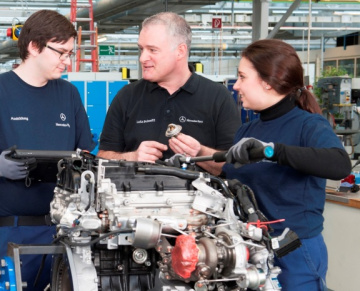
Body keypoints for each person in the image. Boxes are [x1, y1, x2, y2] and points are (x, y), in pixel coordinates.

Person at [0, 10, 95, 291]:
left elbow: (84, 157)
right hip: (12, 233)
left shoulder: (69, 94)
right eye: (61, 52)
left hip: (66, 231)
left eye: (70, 53)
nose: (67, 60)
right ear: (34, 46)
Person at [222, 39, 350, 290]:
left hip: (295, 253)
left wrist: (271, 151)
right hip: (251, 248)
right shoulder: (247, 129)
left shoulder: (308, 125)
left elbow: (340, 164)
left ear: (268, 82)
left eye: (242, 77)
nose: (236, 86)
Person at [97, 12, 240, 175]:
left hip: (201, 199)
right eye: (141, 49)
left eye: (152, 50)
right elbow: (102, 158)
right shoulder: (126, 97)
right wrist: (132, 157)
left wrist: (199, 153)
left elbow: (234, 166)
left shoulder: (218, 97)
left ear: (180, 51)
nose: (142, 58)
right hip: (136, 198)